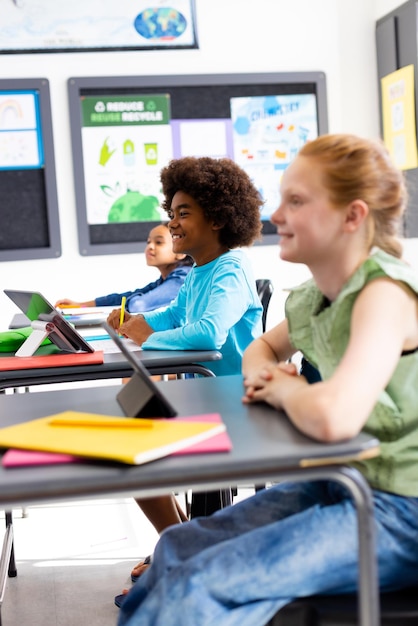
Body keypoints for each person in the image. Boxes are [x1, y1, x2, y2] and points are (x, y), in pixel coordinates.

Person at [117, 133, 418, 626]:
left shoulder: (383, 292)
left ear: (353, 216)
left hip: (400, 512)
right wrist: (266, 375)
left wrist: (284, 388)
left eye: (295, 201)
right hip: (339, 484)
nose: (275, 216)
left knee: (199, 586)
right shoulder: (310, 297)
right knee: (177, 545)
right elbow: (265, 347)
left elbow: (333, 418)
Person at [107, 155, 264, 587]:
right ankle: (182, 545)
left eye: (183, 213)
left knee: (136, 454)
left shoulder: (231, 268)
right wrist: (133, 325)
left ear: (216, 218)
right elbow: (170, 316)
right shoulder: (198, 272)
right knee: (130, 443)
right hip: (205, 398)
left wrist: (145, 337)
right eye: (170, 213)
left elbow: (209, 333)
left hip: (233, 405)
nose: (172, 223)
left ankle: (178, 550)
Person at [55, 223, 193, 313]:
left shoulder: (182, 279)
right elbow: (122, 298)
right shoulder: (164, 281)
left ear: (180, 253)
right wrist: (80, 305)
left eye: (159, 242)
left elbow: (138, 305)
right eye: (148, 242)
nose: (150, 246)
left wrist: (127, 301)